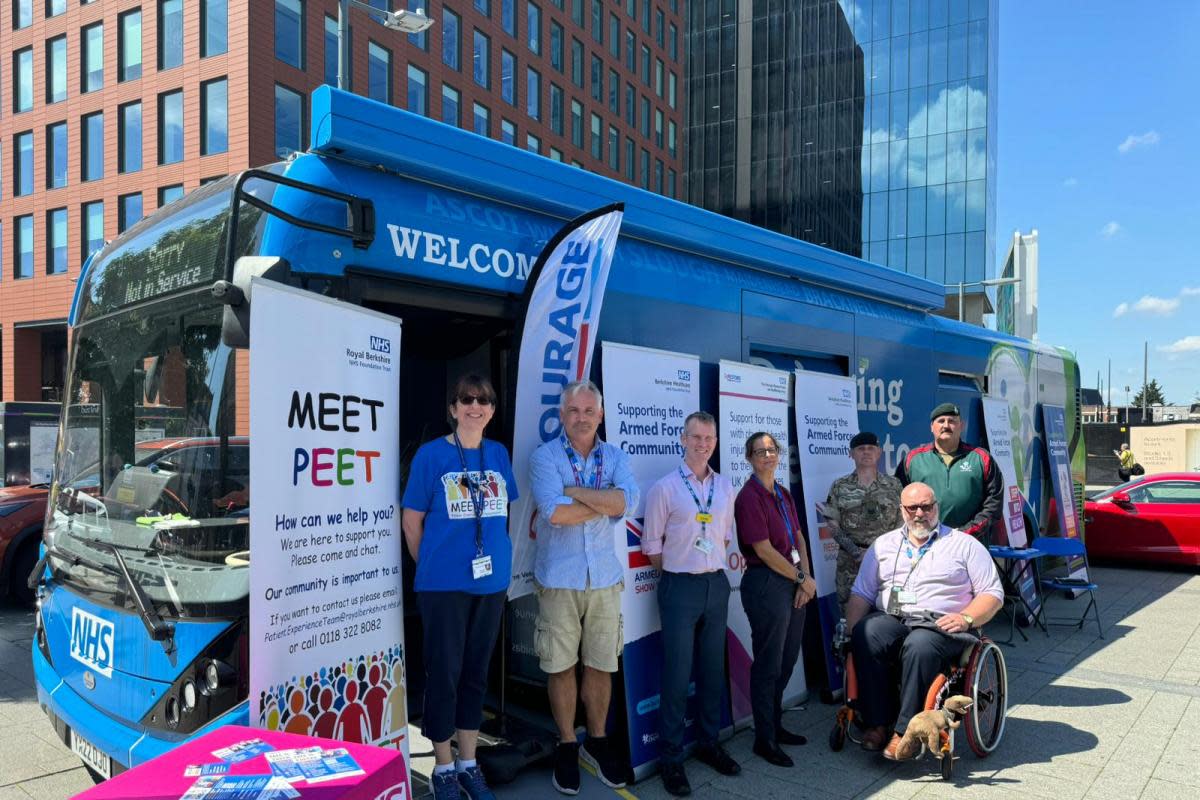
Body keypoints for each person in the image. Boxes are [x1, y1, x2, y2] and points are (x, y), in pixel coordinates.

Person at [401, 374, 517, 800]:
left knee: (475, 672)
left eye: (483, 399)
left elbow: (505, 513)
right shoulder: (431, 457)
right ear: (452, 409)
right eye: (466, 399)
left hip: (491, 584)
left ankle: (469, 763)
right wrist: (432, 566)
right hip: (443, 587)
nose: (475, 406)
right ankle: (443, 767)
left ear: (491, 409)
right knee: (444, 673)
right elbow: (411, 521)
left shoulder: (498, 455)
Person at [530, 380, 640, 795]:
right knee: (560, 665)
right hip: (559, 578)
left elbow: (625, 504)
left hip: (604, 580)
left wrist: (575, 492)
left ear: (601, 415)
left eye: (589, 411)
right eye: (573, 411)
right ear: (562, 415)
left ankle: (596, 740)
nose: (581, 418)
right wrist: (601, 499)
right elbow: (553, 514)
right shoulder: (544, 456)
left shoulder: (615, 455)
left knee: (600, 664)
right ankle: (566, 743)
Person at [845, 481, 1003, 760]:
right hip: (896, 618)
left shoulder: (963, 544)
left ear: (936, 508)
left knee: (919, 644)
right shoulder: (884, 545)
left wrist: (967, 617)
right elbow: (861, 593)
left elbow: (992, 594)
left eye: (926, 506)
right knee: (866, 633)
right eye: (912, 507)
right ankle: (878, 723)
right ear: (902, 510)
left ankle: (906, 732)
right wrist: (850, 633)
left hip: (943, 624)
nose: (920, 513)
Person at [640, 412, 741, 796]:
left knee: (713, 669)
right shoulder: (665, 488)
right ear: (683, 440)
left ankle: (709, 742)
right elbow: (651, 546)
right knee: (678, 674)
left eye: (708, 438)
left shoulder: (726, 487)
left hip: (717, 585)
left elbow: (724, 535)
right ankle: (670, 757)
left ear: (715, 441)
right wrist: (680, 572)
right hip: (679, 587)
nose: (702, 443)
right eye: (695, 437)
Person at [733, 432, 817, 768]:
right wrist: (799, 577)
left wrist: (806, 580)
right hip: (767, 583)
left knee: (787, 659)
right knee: (768, 663)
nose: (767, 455)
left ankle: (775, 725)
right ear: (750, 458)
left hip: (793, 581)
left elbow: (798, 536)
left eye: (772, 449)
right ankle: (763, 739)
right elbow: (764, 550)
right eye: (759, 451)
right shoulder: (748, 497)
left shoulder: (782, 493)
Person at [895, 402, 1003, 542]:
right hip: (924, 542)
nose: (946, 425)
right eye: (941, 421)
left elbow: (994, 504)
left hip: (970, 542)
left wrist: (966, 533)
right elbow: (898, 499)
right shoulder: (913, 459)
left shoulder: (981, 458)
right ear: (932, 427)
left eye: (952, 421)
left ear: (961, 426)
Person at [820, 431, 903, 614]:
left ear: (879, 452)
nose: (866, 452)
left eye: (871, 448)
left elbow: (902, 523)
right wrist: (857, 553)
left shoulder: (894, 485)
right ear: (851, 453)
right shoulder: (840, 486)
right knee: (850, 620)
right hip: (851, 564)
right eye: (860, 449)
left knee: (893, 615)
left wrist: (883, 552)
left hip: (888, 562)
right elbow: (833, 526)